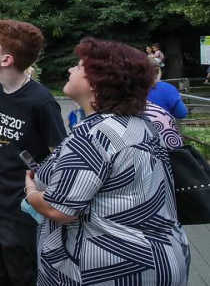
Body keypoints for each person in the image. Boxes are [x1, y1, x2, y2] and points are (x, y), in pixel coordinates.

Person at [24, 38, 190, 284]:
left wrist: (30, 191)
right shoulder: (140, 124)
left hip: (110, 267)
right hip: (159, 256)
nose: (70, 70)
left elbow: (57, 209)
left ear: (97, 82)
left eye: (79, 66)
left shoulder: (94, 135)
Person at [0, 20, 67, 286]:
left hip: (22, 209)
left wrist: (41, 197)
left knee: (22, 275)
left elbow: (59, 155)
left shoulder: (41, 101)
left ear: (6, 60)